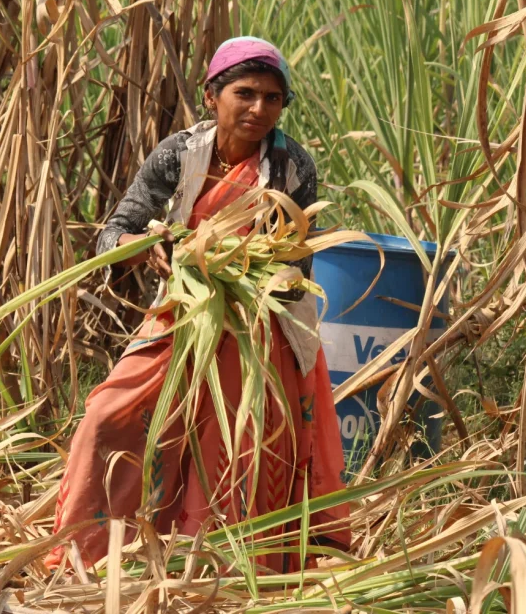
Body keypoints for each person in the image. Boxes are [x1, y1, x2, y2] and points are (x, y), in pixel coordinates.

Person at [44, 36, 349, 575]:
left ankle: (215, 572)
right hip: (182, 313)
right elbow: (113, 232)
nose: (259, 109)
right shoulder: (178, 154)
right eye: (245, 93)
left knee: (230, 444)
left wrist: (255, 271)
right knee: (106, 417)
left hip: (261, 326)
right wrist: (148, 248)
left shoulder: (291, 166)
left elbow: (300, 263)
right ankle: (89, 557)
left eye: (273, 98)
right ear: (212, 96)